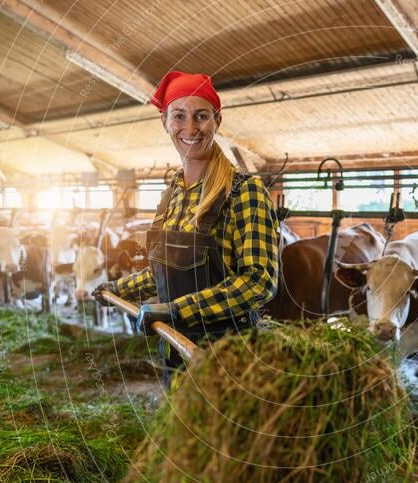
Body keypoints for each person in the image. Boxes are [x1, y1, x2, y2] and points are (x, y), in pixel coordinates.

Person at [92, 71, 279, 387]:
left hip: (229, 355)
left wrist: (176, 310)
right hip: (174, 350)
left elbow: (258, 282)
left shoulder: (244, 192)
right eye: (179, 116)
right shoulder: (171, 194)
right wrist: (115, 289)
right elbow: (164, 272)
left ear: (216, 121)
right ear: (165, 121)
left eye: (201, 116)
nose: (190, 128)